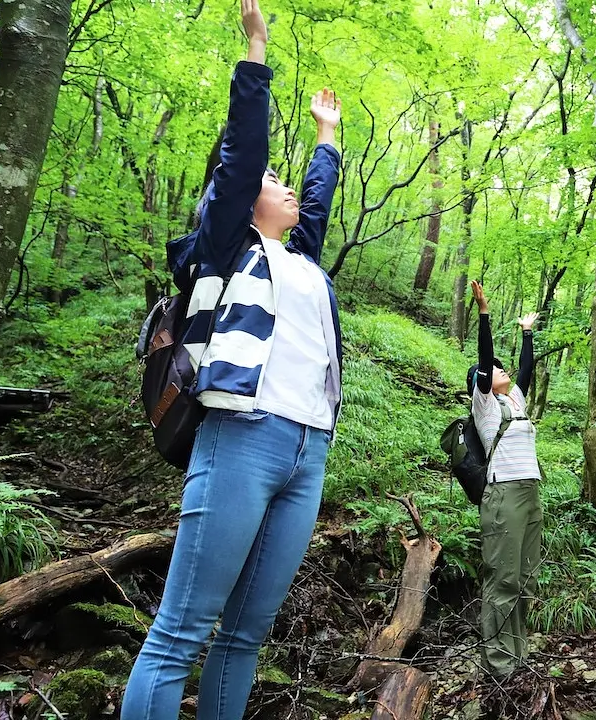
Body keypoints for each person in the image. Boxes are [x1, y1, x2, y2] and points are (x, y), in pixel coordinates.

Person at [122, 1, 344, 718]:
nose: (283, 185)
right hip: (242, 436)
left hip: (308, 451)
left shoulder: (302, 262)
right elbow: (243, 152)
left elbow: (317, 202)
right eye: (270, 179)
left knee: (246, 634)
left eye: (287, 180)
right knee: (180, 630)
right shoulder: (226, 250)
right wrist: (256, 50)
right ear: (240, 204)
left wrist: (326, 137)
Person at [467, 280, 543, 679]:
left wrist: (527, 331)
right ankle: (499, 667)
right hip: (503, 495)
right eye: (497, 368)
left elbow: (527, 368)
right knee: (503, 579)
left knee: (524, 577)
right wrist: (484, 312)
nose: (503, 369)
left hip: (530, 493)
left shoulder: (515, 400)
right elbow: (483, 360)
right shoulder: (484, 404)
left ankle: (519, 655)